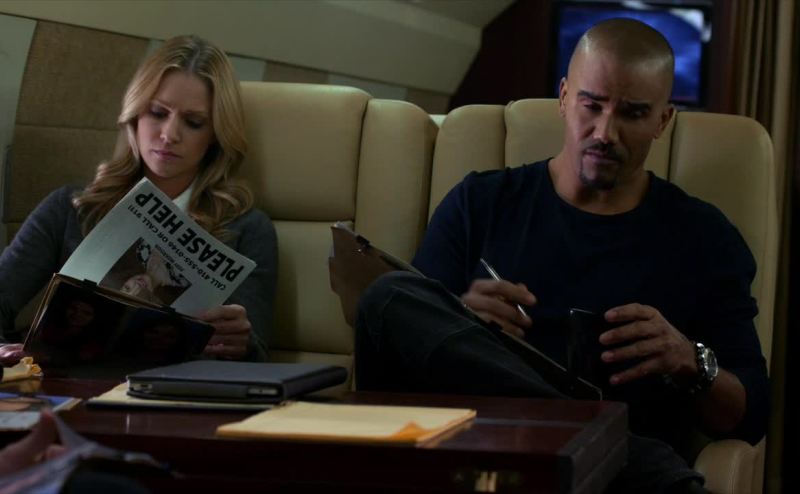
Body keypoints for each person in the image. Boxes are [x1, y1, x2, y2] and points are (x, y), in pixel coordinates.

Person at [353, 19, 768, 493]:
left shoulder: (705, 237)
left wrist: (689, 360)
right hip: (480, 460)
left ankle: (607, 449)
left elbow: (751, 415)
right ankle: (618, 449)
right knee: (388, 297)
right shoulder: (479, 203)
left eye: (632, 113)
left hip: (600, 484)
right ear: (565, 98)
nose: (605, 132)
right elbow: (397, 343)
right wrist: (461, 321)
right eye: (592, 105)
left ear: (663, 121)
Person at [0, 35, 277, 366]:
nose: (169, 135)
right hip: (69, 385)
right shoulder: (71, 208)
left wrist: (241, 344)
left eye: (193, 122)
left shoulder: (247, 228)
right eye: (158, 113)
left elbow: (256, 355)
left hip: (177, 392)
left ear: (216, 134)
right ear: (135, 115)